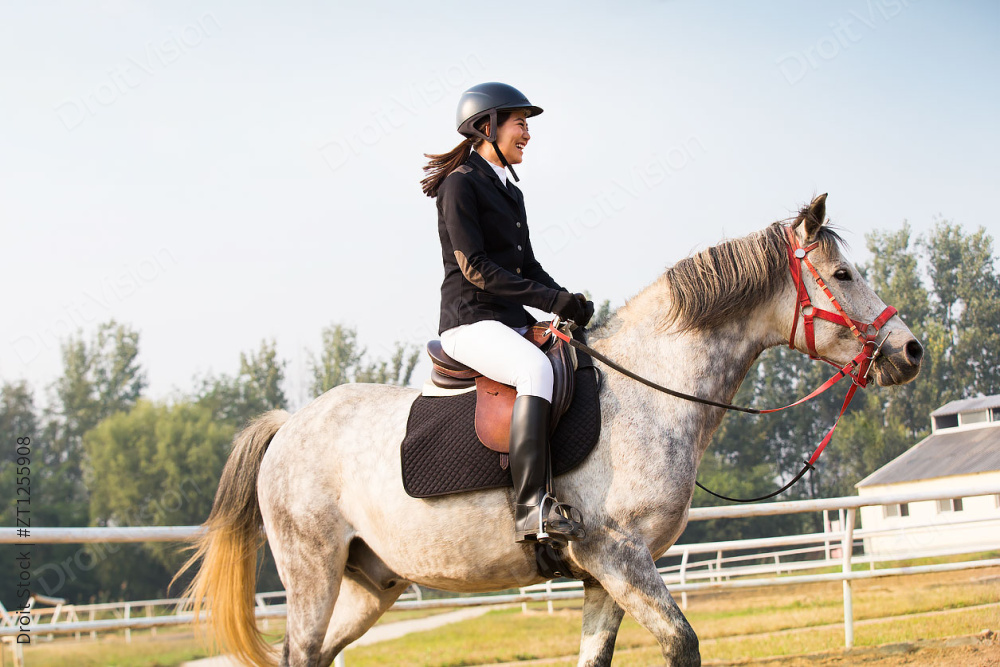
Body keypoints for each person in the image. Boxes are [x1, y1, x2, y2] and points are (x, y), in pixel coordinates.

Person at [421, 82, 593, 545]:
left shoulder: (510, 193)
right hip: (470, 321)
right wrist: (550, 301)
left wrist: (565, 299)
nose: (528, 134)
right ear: (488, 126)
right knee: (535, 368)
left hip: (509, 320)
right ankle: (530, 506)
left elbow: (528, 266)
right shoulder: (459, 186)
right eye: (521, 124)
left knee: (574, 358)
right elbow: (475, 268)